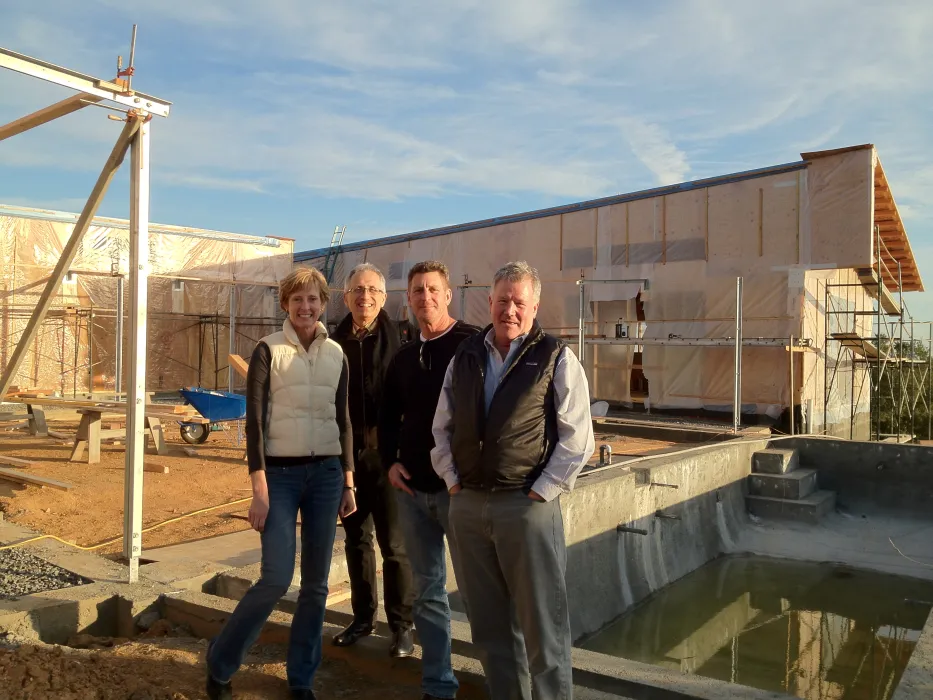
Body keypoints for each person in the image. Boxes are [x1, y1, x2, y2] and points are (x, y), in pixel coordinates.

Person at [432, 261, 595, 700]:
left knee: (544, 631)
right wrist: (451, 481)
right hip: (468, 505)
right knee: (488, 630)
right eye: (502, 299)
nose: (509, 309)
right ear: (489, 301)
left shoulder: (556, 356)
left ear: (534, 305)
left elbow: (578, 439)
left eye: (519, 302)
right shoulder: (465, 356)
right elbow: (441, 427)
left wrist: (541, 491)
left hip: (527, 509)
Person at [206, 267, 357, 700]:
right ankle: (220, 661)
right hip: (281, 476)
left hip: (327, 475)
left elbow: (342, 420)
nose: (305, 308)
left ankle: (301, 679)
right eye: (297, 300)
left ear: (323, 304)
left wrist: (348, 482)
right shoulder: (267, 350)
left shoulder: (337, 355)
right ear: (285, 305)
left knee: (316, 585)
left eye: (313, 300)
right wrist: (259, 488)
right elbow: (254, 423)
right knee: (275, 578)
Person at [379, 261, 480, 700]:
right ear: (409, 298)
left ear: (448, 293)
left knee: (483, 593)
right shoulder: (404, 356)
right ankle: (439, 685)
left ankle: (508, 680)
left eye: (432, 289)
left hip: (461, 493)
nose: (425, 297)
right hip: (414, 493)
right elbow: (386, 416)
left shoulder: (472, 344)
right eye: (417, 290)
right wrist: (389, 462)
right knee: (429, 594)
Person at [331, 263, 414, 657]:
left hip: (389, 460)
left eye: (372, 290)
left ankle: (402, 627)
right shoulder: (332, 342)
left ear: (384, 297)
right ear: (346, 297)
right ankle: (363, 619)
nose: (364, 296)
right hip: (347, 460)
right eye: (357, 290)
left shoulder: (402, 338)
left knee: (394, 545)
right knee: (355, 540)